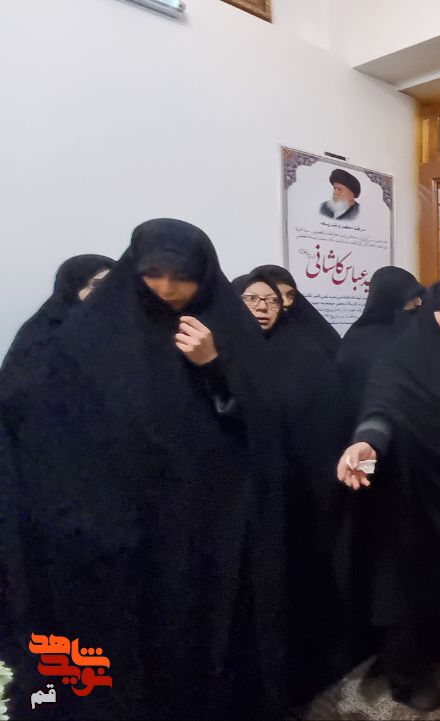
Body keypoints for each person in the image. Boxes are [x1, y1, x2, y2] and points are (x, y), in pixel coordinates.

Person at [0, 219, 290, 719]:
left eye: (184, 277)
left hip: (201, 525)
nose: (169, 288)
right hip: (115, 521)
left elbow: (263, 424)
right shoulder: (94, 332)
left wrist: (214, 365)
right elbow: (42, 417)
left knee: (192, 634)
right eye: (155, 274)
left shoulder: (226, 329)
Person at [334, 280, 440, 713]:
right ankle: (407, 680)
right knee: (404, 582)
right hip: (410, 487)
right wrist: (367, 443)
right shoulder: (400, 355)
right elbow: (381, 407)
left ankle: (437, 645)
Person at [233, 271, 354, 706]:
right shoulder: (220, 352)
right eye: (252, 299)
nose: (264, 307)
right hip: (245, 494)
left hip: (302, 486)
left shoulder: (300, 348)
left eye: (271, 300)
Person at [1, 254, 115, 372]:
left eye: (112, 283)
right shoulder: (44, 336)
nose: (107, 290)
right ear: (72, 289)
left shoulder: (120, 327)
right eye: (97, 285)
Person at [335, 266, 424, 402]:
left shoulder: (412, 331)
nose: (418, 302)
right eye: (411, 297)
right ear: (392, 298)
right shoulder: (357, 342)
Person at [250, 264, 342, 357]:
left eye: (291, 295)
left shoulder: (314, 336)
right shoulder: (245, 339)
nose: (286, 302)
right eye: (275, 296)